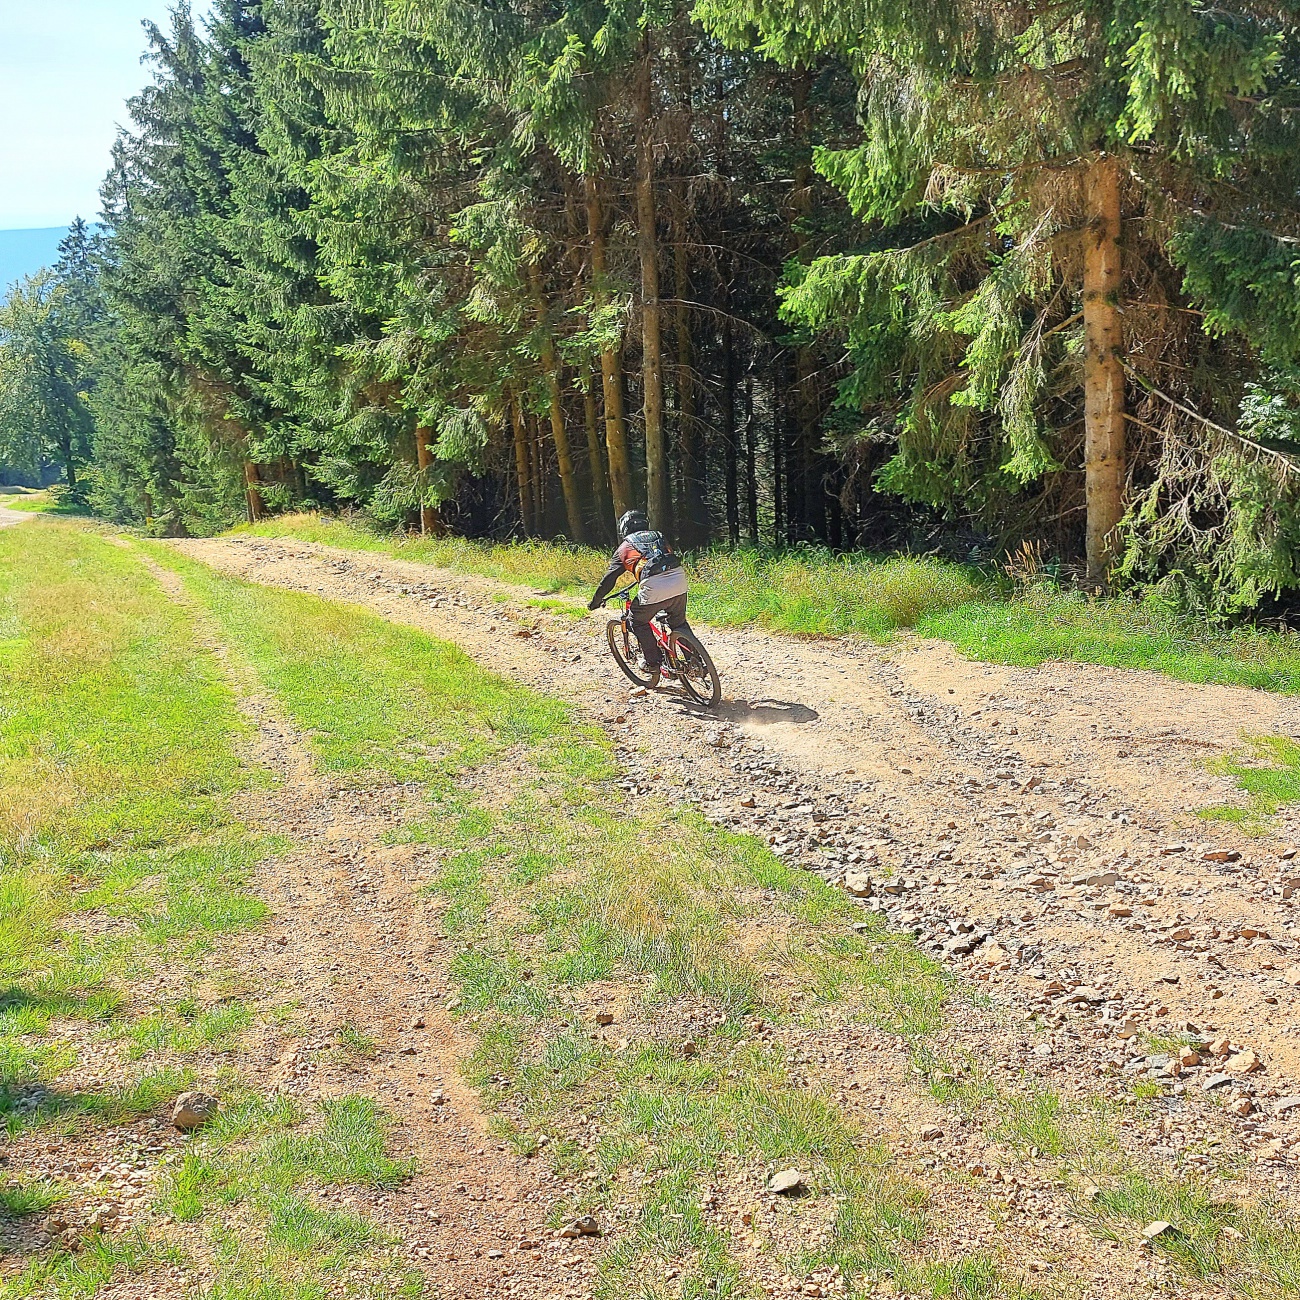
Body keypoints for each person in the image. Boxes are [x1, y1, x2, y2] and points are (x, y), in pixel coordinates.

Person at [588, 510, 691, 687]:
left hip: (653, 585)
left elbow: (609, 579)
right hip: (679, 579)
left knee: (636, 621)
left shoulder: (624, 548)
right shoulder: (658, 535)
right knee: (678, 623)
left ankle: (654, 664)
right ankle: (696, 662)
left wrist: (596, 600)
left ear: (624, 529)